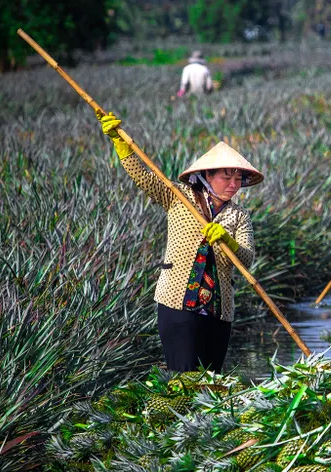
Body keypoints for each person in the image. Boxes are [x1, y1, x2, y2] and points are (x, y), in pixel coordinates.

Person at [96, 109, 259, 374]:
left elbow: (247, 258)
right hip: (178, 302)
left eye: (237, 178)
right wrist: (121, 145)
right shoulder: (179, 196)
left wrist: (228, 241)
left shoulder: (239, 215)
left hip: (219, 310)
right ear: (207, 176)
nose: (233, 184)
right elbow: (144, 179)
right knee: (183, 376)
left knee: (212, 382)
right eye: (225, 177)